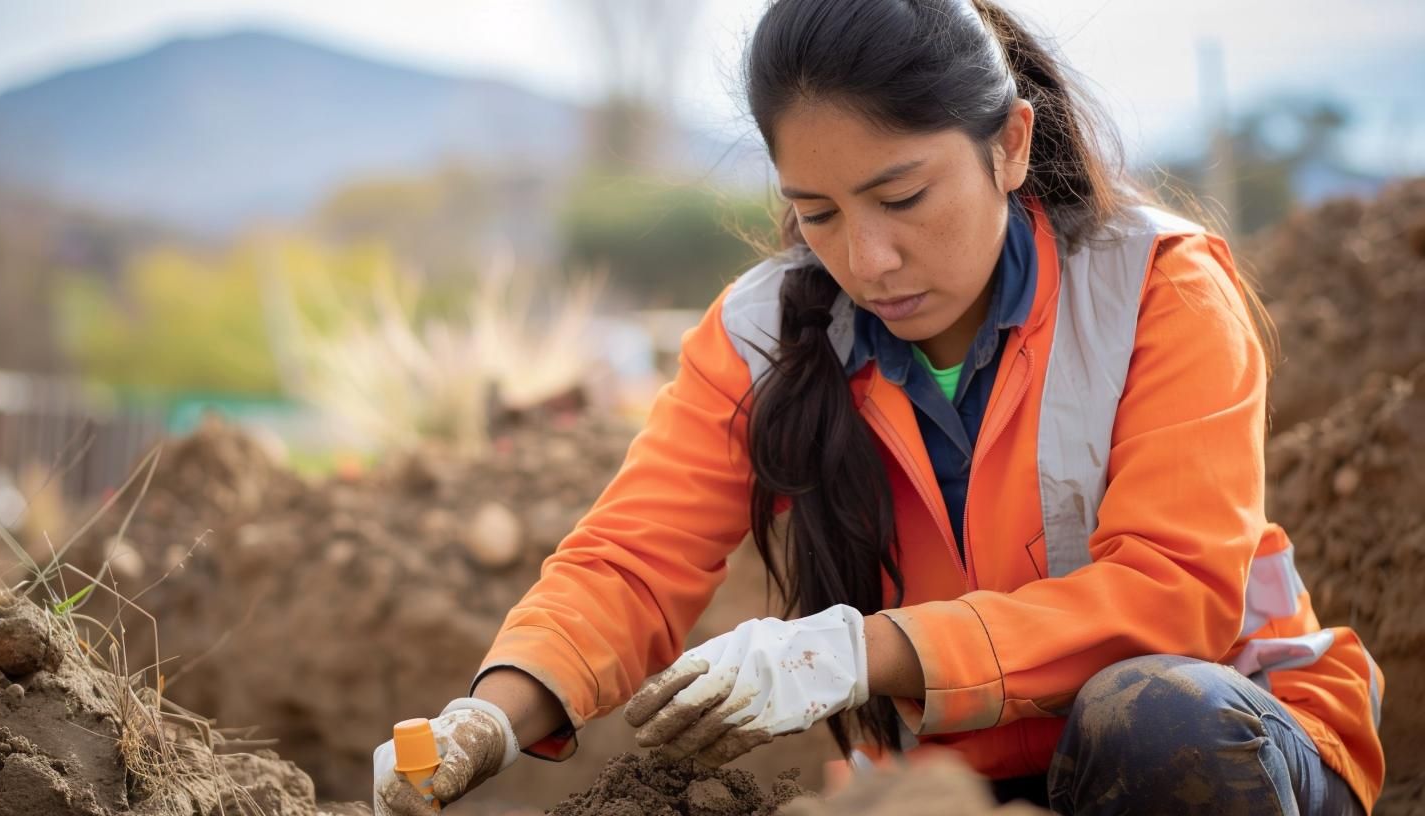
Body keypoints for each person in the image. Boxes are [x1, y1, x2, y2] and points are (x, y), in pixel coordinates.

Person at [372, 1, 1386, 813]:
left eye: (902, 199)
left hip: (1231, 745)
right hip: (956, 781)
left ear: (1010, 145)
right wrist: (488, 720)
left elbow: (1174, 597)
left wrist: (858, 652)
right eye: (817, 215)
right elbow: (629, 562)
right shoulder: (762, 334)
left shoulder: (1157, 289)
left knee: (1152, 720)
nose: (868, 260)